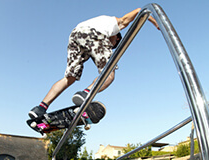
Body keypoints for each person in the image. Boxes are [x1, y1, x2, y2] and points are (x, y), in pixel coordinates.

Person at [29, 8, 160, 118]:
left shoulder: (99, 20)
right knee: (108, 75)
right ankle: (86, 93)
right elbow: (140, 11)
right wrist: (156, 23)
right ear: (116, 37)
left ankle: (40, 108)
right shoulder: (115, 25)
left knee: (70, 78)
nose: (110, 46)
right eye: (112, 44)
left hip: (75, 35)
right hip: (94, 34)